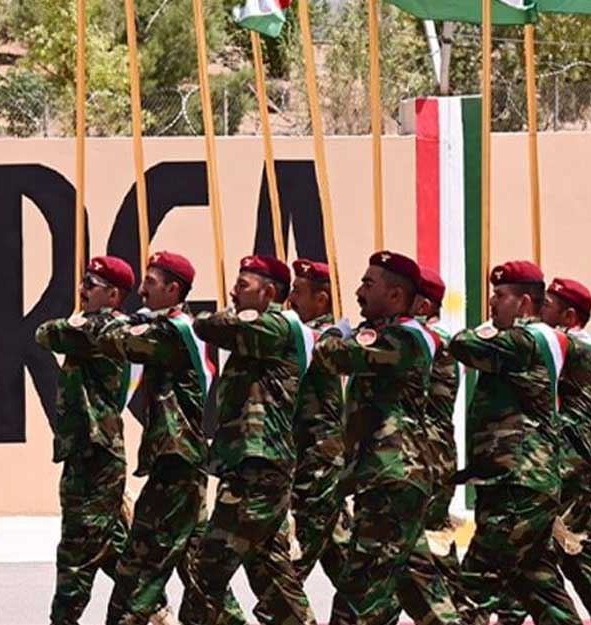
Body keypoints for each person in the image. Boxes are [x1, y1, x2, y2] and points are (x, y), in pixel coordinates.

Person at [98, 251, 244, 625]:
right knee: (197, 565)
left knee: (142, 563)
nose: (142, 291)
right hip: (181, 459)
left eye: (150, 282)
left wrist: (101, 318)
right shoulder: (167, 327)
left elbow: (118, 342)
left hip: (176, 459)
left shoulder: (172, 333)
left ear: (173, 289)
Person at [315, 251, 458, 625]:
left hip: (391, 474)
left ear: (395, 295)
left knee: (359, 595)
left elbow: (333, 356)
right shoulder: (391, 333)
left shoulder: (404, 338)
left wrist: (334, 332)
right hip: (390, 476)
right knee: (417, 587)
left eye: (368, 283)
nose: (359, 291)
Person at [447, 260, 582, 625]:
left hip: (516, 484)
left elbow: (461, 344)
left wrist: (491, 328)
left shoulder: (524, 340)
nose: (492, 302)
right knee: (538, 586)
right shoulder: (535, 340)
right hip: (525, 482)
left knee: (473, 588)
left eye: (500, 295)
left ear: (523, 303)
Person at [183, 254, 316, 625]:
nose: (233, 291)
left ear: (269, 292)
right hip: (253, 466)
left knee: (207, 571)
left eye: (243, 285)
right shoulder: (257, 330)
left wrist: (227, 316)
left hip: (258, 467)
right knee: (272, 576)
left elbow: (207, 325)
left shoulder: (275, 327)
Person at [35, 256, 138, 625]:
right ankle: (149, 607)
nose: (82, 290)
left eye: (91, 285)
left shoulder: (106, 330)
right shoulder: (93, 327)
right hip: (87, 452)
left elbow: (46, 334)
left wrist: (76, 321)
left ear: (113, 295)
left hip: (96, 453)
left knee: (77, 550)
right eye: (83, 282)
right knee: (109, 544)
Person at [377, 265, 464, 625]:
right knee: (425, 551)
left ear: (423, 306)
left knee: (414, 553)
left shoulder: (427, 339)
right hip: (433, 452)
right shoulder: (436, 338)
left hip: (421, 452)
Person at [275, 258, 348, 593]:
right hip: (306, 451)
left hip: (319, 456)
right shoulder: (303, 334)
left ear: (321, 300)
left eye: (298, 292)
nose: (291, 299)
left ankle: (284, 609)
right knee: (339, 549)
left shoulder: (322, 337)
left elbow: (320, 347)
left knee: (299, 551)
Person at [544, 276, 591, 610]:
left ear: (569, 316)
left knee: (567, 546)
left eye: (547, 304)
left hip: (573, 461)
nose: (538, 309)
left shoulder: (575, 349)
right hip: (573, 459)